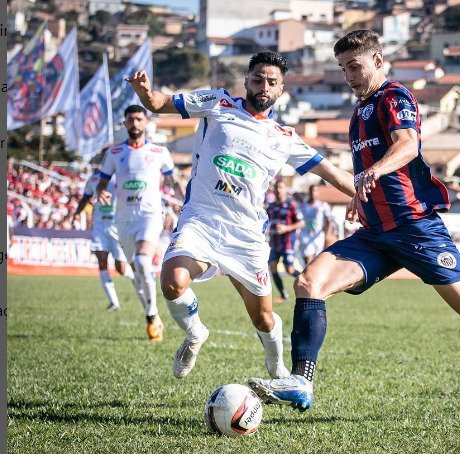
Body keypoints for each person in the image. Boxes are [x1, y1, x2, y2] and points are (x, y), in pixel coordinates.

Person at [248, 30, 460, 412]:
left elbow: (408, 144)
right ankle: (301, 381)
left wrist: (375, 172)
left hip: (416, 228)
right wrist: (360, 196)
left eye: (355, 66)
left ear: (377, 61)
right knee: (308, 282)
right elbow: (370, 170)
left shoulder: (395, 97)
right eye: (343, 69)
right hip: (374, 235)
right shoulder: (358, 113)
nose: (350, 76)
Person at [124, 51, 356, 381]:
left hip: (245, 233)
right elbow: (158, 103)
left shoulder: (284, 138)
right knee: (173, 282)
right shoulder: (216, 103)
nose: (264, 86)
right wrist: (145, 92)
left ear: (281, 89)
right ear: (246, 81)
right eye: (258, 79)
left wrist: (367, 195)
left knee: (263, 318)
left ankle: (276, 368)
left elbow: (332, 173)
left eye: (272, 82)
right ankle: (194, 334)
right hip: (201, 219)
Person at [96, 105, 184, 342]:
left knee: (143, 261)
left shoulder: (159, 151)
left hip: (150, 215)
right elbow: (102, 181)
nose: (134, 124)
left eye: (138, 119)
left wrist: (186, 199)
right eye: (130, 120)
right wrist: (100, 191)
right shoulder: (114, 153)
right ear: (125, 123)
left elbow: (172, 179)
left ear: (146, 122)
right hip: (123, 219)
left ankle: (153, 312)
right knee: (136, 272)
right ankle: (151, 314)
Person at [73, 166, 135, 311]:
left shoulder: (119, 177)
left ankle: (138, 280)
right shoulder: (93, 179)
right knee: (102, 263)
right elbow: (86, 198)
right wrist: (77, 212)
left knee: (121, 269)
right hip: (100, 226)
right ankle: (114, 303)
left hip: (117, 225)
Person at [267, 179, 305, 303]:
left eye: (281, 187)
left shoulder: (291, 205)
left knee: (289, 269)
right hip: (274, 243)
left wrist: (286, 228)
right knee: (272, 267)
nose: (279, 190)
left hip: (287, 242)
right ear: (273, 190)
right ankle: (283, 295)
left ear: (285, 190)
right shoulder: (271, 206)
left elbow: (301, 223)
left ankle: (310, 282)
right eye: (277, 188)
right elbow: (265, 222)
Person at [297, 184, 333, 266]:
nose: (313, 193)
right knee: (308, 261)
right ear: (308, 192)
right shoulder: (302, 205)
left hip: (318, 236)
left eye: (315, 191)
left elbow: (329, 220)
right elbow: (297, 219)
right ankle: (309, 275)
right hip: (305, 234)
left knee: (317, 261)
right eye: (311, 191)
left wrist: (327, 234)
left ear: (318, 193)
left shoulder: (323, 205)